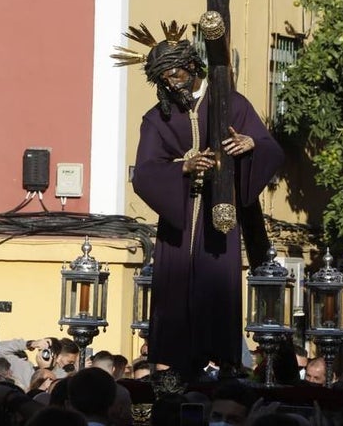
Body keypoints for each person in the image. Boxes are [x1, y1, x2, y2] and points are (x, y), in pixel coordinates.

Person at [114, 20, 282, 381]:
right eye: (163, 80)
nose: (170, 84)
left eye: (174, 75)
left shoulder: (232, 104)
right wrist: (184, 167)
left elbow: (268, 147)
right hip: (179, 223)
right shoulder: (156, 118)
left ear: (191, 68)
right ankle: (174, 369)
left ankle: (224, 363)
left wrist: (249, 146)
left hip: (219, 220)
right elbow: (143, 172)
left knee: (217, 288)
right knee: (175, 301)